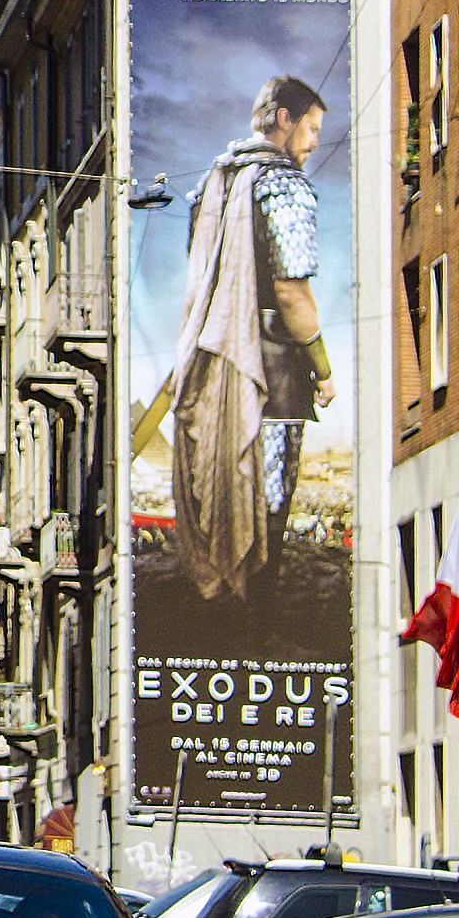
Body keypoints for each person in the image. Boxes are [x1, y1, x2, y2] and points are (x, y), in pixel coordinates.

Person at [170, 76, 335, 600]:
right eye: (310, 128)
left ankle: (225, 606)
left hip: (211, 358)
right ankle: (254, 615)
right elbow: (292, 292)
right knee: (267, 501)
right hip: (274, 371)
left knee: (222, 493)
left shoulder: (211, 185)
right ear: (283, 119)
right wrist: (324, 369)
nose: (312, 142)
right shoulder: (283, 186)